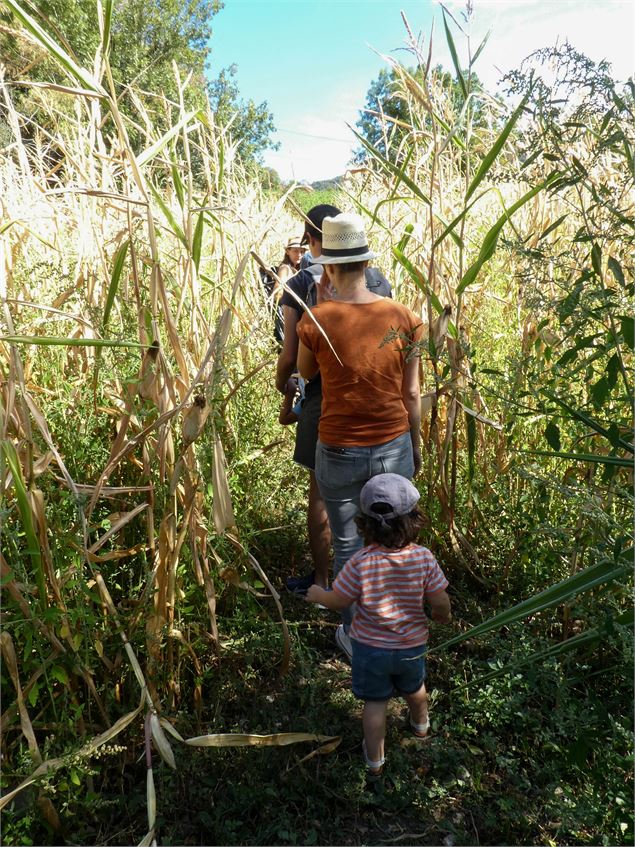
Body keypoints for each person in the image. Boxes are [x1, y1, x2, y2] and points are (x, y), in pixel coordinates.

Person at [295, 212, 423, 660]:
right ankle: (400, 624)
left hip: (338, 447)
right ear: (367, 264)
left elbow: (306, 374)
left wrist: (322, 306)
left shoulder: (316, 320)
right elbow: (411, 393)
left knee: (349, 542)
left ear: (327, 267)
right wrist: (416, 445)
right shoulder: (405, 317)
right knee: (397, 537)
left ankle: (357, 635)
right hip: (393, 444)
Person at [276, 205, 393, 597]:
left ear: (312, 239)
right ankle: (377, 587)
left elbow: (291, 359)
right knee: (376, 498)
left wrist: (284, 391)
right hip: (378, 404)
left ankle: (326, 583)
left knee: (323, 497)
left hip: (325, 404)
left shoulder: (299, 284)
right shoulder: (379, 280)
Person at [305, 473, 451, 778]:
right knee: (415, 690)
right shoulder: (424, 558)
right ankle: (421, 728)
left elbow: (340, 600)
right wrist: (441, 615)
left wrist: (319, 593)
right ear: (414, 520)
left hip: (371, 650)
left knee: (374, 705)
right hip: (411, 646)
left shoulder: (360, 561)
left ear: (365, 524)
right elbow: (440, 600)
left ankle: (374, 763)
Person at [262, 235, 305, 345]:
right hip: (287, 316)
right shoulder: (285, 269)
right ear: (287, 251)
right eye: (295, 251)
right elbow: (277, 294)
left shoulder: (299, 270)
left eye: (302, 251)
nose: (299, 255)